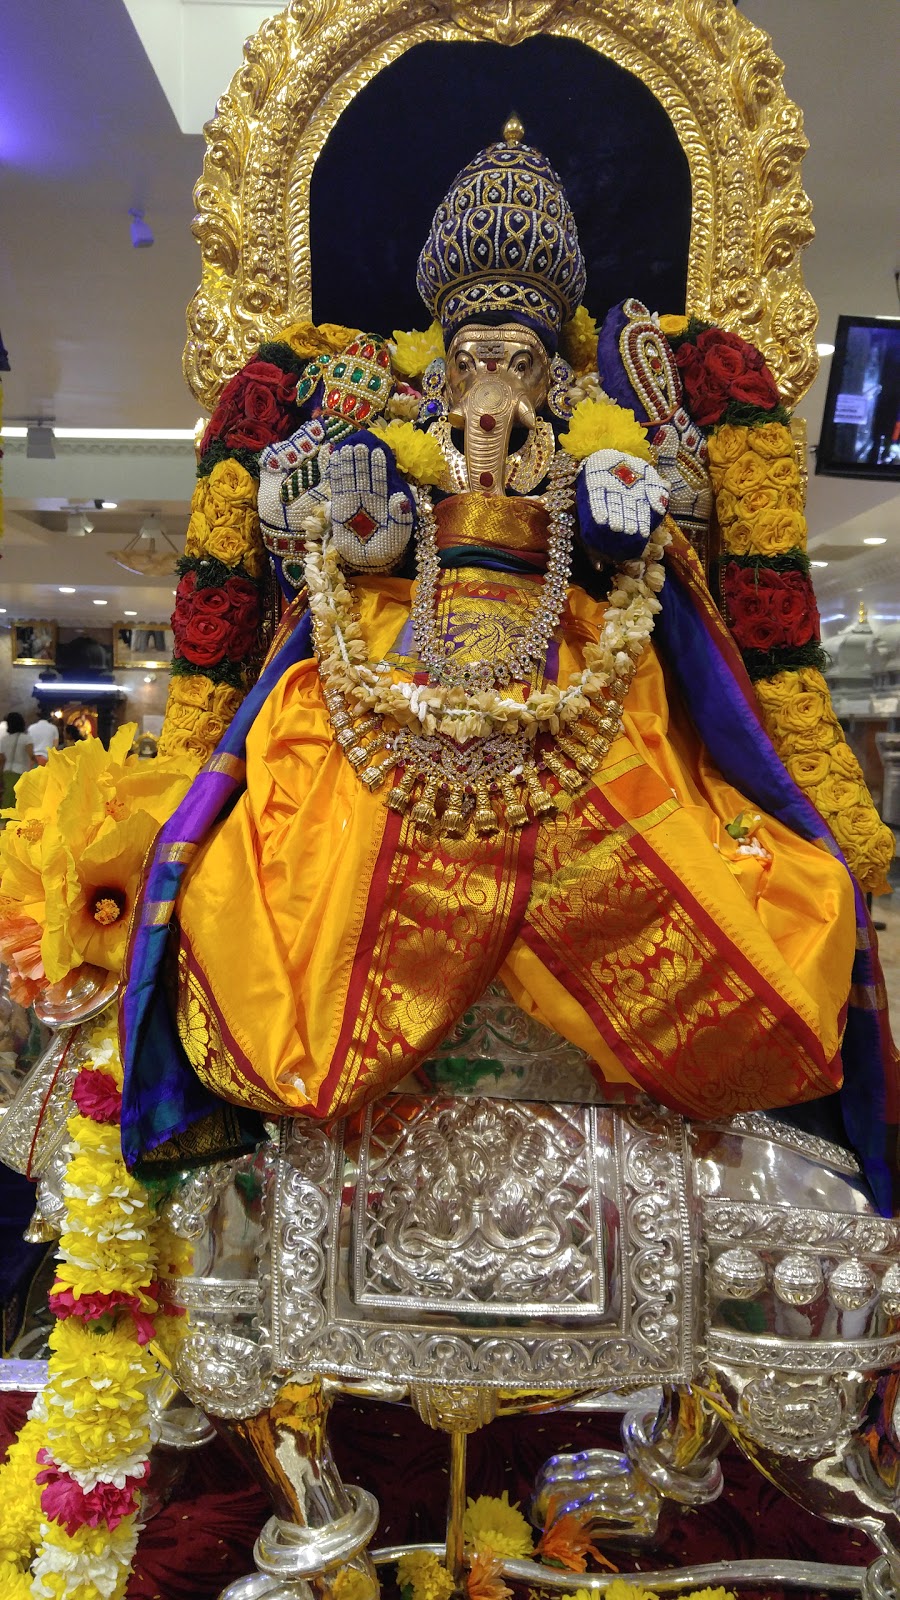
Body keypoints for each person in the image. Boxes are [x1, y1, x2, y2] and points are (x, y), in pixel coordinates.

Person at [122, 127, 896, 1211]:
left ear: (558, 365)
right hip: (382, 702)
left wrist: (621, 512)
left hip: (589, 709)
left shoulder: (604, 438)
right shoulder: (381, 427)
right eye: (473, 354)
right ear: (440, 360)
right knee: (277, 862)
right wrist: (354, 519)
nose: (492, 381)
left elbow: (678, 546)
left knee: (715, 871)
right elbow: (284, 522)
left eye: (518, 358)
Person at [0, 714, 32, 807]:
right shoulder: (26, 738)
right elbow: (31, 755)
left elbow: (1, 759)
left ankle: (3, 818)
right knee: (19, 799)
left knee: (7, 796)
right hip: (21, 771)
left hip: (7, 772)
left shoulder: (4, 739)